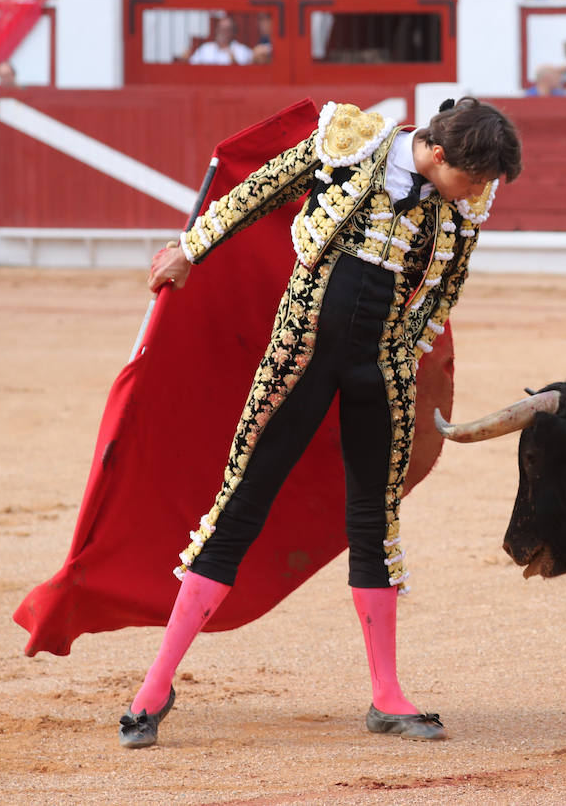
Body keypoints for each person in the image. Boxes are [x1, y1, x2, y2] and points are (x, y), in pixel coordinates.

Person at [121, 96, 523, 749]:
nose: (479, 192)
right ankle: (154, 689)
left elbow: (443, 294)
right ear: (438, 152)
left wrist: (407, 357)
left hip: (382, 374)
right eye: (472, 177)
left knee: (375, 523)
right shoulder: (351, 143)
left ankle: (387, 696)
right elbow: (259, 190)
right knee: (238, 509)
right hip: (297, 358)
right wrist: (190, 249)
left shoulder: (464, 205)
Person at [188, 16, 254, 65]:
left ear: (233, 32)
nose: (223, 32)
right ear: (216, 30)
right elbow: (191, 65)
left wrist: (235, 64)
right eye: (221, 28)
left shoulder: (242, 51)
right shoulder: (205, 49)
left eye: (227, 29)